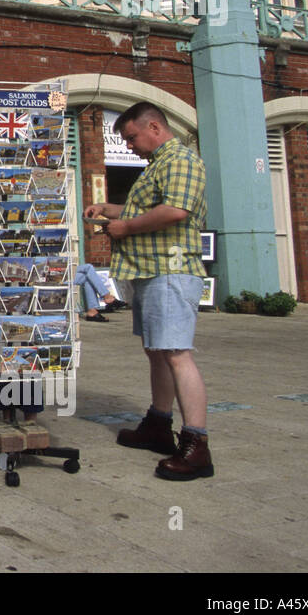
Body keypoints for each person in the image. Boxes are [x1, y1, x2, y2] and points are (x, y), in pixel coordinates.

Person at [84, 101, 213, 480]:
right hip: (150, 271)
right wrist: (111, 210)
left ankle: (196, 444)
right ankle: (159, 424)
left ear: (154, 126)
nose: (128, 146)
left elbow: (176, 211)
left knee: (176, 354)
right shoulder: (159, 165)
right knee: (158, 352)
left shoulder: (181, 161)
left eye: (131, 137)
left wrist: (126, 228)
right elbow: (150, 206)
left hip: (170, 272)